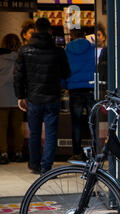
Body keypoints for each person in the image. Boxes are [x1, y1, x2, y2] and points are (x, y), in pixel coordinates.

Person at [14, 18, 71, 175]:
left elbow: (18, 76)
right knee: (51, 133)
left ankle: (34, 164)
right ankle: (46, 167)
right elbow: (67, 73)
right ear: (50, 30)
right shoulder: (58, 51)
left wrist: (20, 96)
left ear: (35, 30)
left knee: (35, 132)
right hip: (52, 97)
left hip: (33, 98)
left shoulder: (25, 51)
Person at [63, 27, 95, 161]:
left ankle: (76, 152)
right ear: (85, 35)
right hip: (90, 87)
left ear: (71, 36)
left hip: (74, 89)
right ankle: (94, 152)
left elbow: (64, 69)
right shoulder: (92, 48)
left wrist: (65, 86)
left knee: (76, 123)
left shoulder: (67, 50)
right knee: (92, 121)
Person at [0, 34, 25, 164]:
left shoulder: (0, 59)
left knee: (2, 127)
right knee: (17, 126)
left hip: (1, 97)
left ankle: (3, 153)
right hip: (17, 97)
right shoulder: (21, 59)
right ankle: (18, 152)